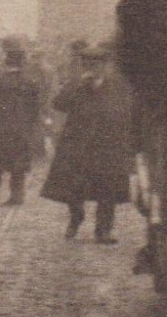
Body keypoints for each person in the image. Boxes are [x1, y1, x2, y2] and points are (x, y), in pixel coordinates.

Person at [41, 46, 134, 243]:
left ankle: (103, 230)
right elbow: (59, 104)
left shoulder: (118, 86)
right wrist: (77, 86)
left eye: (97, 65)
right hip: (78, 146)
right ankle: (76, 218)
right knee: (75, 188)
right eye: (88, 65)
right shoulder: (77, 84)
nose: (93, 69)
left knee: (107, 189)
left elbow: (127, 111)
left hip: (107, 146)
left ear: (105, 66)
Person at [0, 48, 43, 205]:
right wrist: (30, 126)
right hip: (20, 130)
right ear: (21, 64)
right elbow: (35, 108)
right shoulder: (30, 83)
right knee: (18, 164)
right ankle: (17, 196)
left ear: (6, 64)